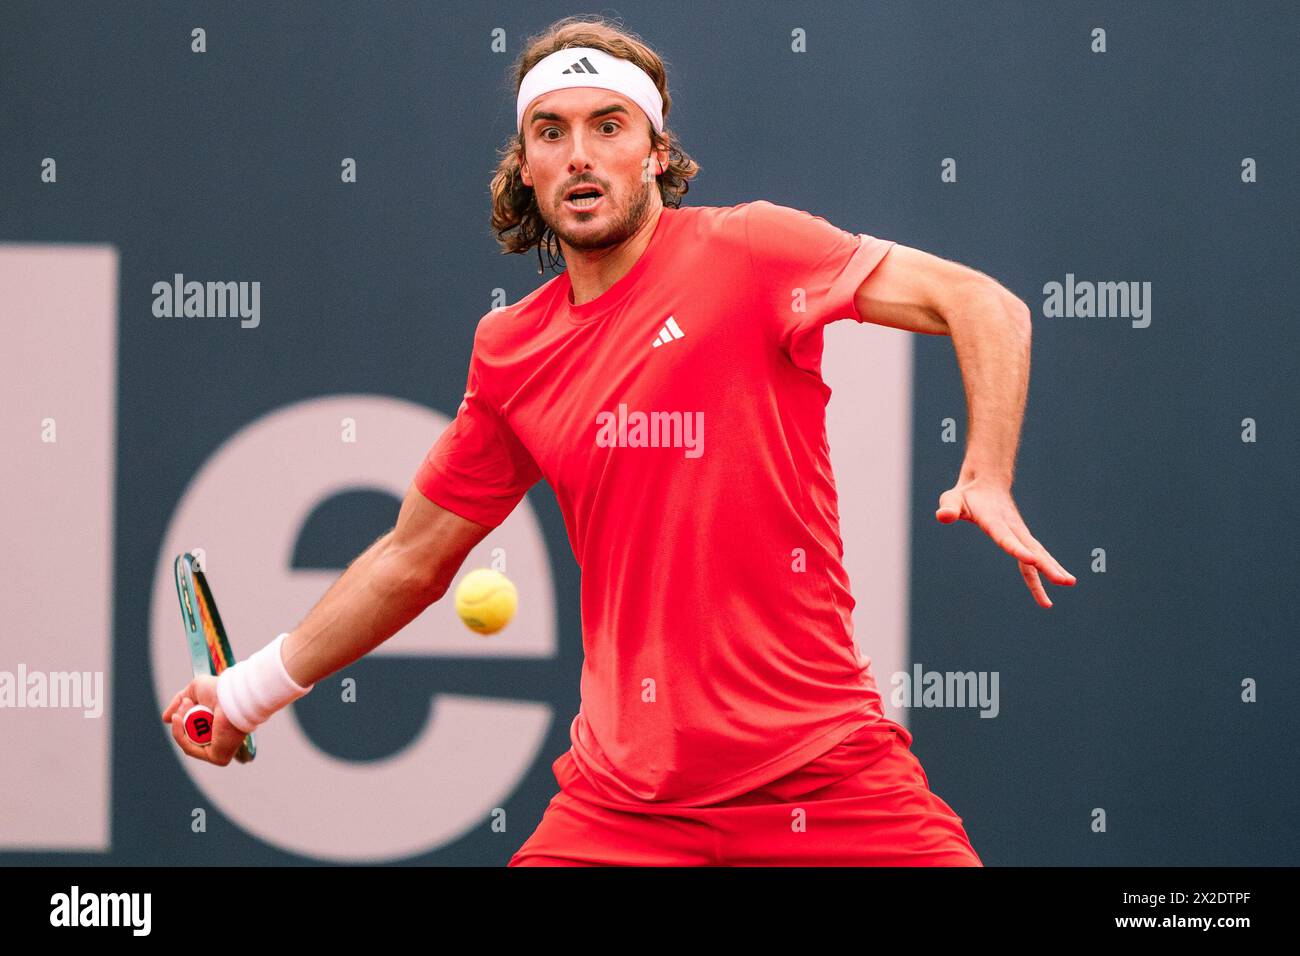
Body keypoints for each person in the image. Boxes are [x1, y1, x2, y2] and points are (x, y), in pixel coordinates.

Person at [163, 17, 1075, 866]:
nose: (581, 154)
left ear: (656, 153)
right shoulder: (512, 350)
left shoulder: (754, 253)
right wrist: (245, 696)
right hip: (623, 804)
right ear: (524, 165)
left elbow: (983, 304)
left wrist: (987, 474)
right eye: (551, 133)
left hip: (822, 772)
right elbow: (412, 558)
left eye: (609, 126)